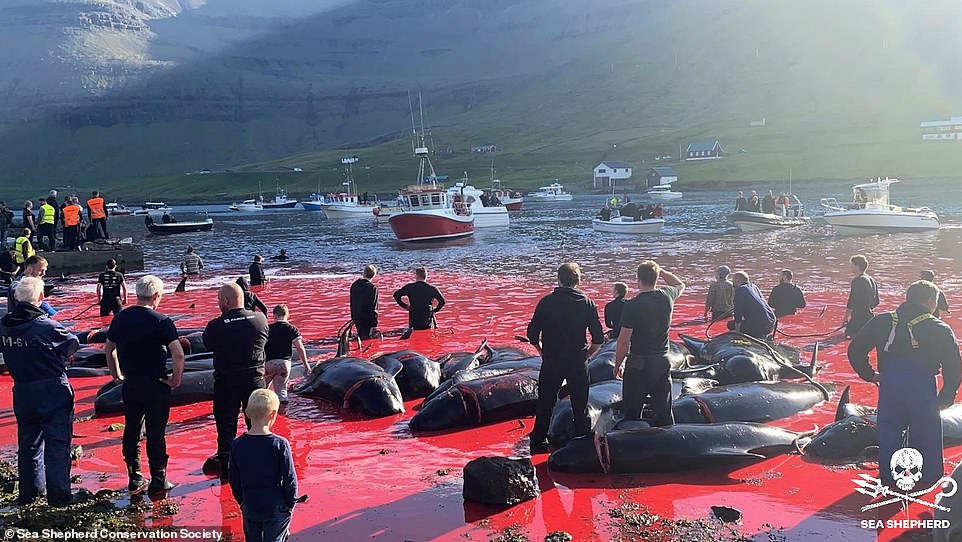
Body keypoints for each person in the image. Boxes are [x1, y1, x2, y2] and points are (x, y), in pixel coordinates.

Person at [847, 280, 961, 490]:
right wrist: (945, 398)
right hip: (922, 388)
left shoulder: (882, 321)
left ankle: (891, 478)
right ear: (930, 301)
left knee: (889, 432)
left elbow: (855, 350)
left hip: (890, 386)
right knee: (925, 434)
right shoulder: (940, 328)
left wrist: (870, 375)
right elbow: (953, 369)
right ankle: (927, 480)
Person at [0, 277, 83, 506]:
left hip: (22, 390)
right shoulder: (46, 325)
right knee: (57, 443)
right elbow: (72, 344)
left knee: (29, 444)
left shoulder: (4, 325)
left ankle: (30, 494)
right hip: (51, 388)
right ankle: (59, 496)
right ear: (41, 297)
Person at [104, 275, 185, 495]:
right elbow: (178, 354)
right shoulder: (161, 321)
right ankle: (159, 478)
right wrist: (176, 379)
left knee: (132, 428)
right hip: (156, 383)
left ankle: (135, 475)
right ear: (156, 295)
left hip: (131, 382)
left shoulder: (120, 318)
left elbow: (109, 348)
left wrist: (116, 374)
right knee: (156, 432)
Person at [526, 263, 605, 453]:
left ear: (559, 279)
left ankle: (538, 441)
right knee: (580, 405)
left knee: (545, 403)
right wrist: (588, 354)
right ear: (578, 281)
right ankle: (581, 444)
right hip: (577, 360)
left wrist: (541, 351)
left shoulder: (546, 302)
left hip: (552, 359)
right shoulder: (587, 303)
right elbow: (598, 337)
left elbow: (532, 333)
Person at [202, 283, 270, 476]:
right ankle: (260, 463)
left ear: (225, 301)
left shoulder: (216, 325)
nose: (218, 304)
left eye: (219, 300)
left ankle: (227, 466)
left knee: (226, 426)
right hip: (255, 380)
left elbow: (208, 345)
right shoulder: (260, 319)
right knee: (258, 423)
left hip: (227, 382)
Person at [614, 261, 685, 426]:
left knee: (632, 412)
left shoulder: (632, 305)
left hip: (639, 362)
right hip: (662, 360)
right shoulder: (667, 295)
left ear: (638, 280)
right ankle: (669, 438)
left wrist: (617, 365)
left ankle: (635, 438)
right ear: (656, 278)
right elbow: (680, 284)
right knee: (664, 411)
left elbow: (623, 341)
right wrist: (662, 271)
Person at [228, 389, 298, 542]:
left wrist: (242, 501)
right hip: (275, 503)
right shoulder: (280, 444)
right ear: (273, 414)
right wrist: (291, 502)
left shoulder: (237, 444)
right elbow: (289, 479)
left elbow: (233, 479)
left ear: (247, 413)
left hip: (250, 502)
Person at [264, 305, 311, 404]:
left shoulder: (268, 329)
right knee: (282, 392)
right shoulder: (292, 329)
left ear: (274, 316)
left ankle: (264, 409)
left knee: (263, 390)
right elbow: (300, 347)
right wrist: (306, 365)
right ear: (288, 315)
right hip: (284, 364)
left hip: (268, 364)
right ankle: (284, 411)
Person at [728, 271, 776, 340]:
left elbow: (738, 313)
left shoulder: (740, 290)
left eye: (733, 280)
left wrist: (737, 332)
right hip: (771, 323)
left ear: (737, 280)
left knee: (730, 325)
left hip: (760, 326)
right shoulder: (754, 287)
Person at [843, 254, 879, 339]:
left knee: (848, 338)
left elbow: (851, 302)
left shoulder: (858, 281)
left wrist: (845, 318)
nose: (850, 267)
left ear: (857, 266)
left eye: (852, 265)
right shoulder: (872, 280)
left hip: (858, 320)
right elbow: (876, 302)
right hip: (870, 318)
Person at [349, 265, 379, 339]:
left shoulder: (354, 285)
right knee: (367, 339)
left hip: (357, 317)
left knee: (361, 336)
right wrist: (374, 324)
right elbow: (374, 307)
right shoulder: (373, 288)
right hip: (367, 319)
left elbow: (352, 303)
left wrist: (353, 317)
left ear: (364, 273)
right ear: (374, 275)